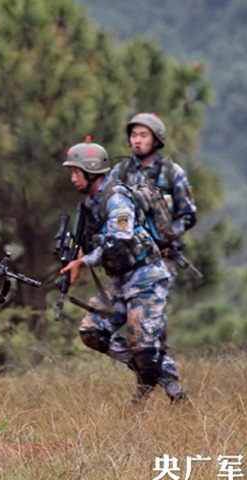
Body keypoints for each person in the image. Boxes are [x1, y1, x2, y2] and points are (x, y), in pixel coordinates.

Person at [59, 137, 182, 404]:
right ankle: (145, 370)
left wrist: (85, 261)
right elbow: (100, 239)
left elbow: (121, 238)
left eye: (76, 172)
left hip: (146, 276)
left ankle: (178, 396)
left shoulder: (115, 199)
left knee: (146, 348)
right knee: (92, 331)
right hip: (121, 279)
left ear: (91, 172)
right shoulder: (92, 204)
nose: (72, 178)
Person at [108, 113, 195, 402]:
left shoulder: (172, 173)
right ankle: (151, 381)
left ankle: (156, 387)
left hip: (161, 260)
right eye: (134, 135)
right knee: (130, 325)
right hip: (129, 261)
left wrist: (168, 237)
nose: (137, 140)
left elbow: (187, 214)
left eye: (143, 135)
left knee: (151, 324)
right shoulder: (120, 172)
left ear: (156, 139)